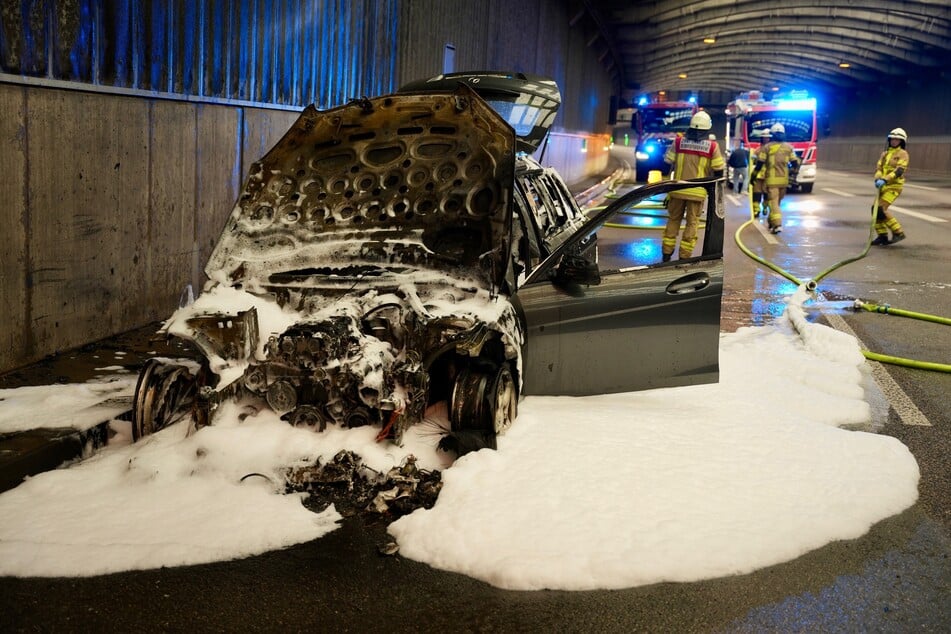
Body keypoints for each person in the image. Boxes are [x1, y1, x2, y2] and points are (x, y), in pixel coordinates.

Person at [660, 110, 725, 261]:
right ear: (707, 129)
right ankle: (684, 257)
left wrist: (665, 187)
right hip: (697, 193)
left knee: (673, 220)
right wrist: (714, 191)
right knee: (692, 223)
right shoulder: (712, 147)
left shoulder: (678, 142)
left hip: (677, 189)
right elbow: (718, 171)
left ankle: (666, 254)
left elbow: (666, 164)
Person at [753, 123, 800, 233]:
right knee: (777, 203)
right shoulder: (789, 147)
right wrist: (793, 172)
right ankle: (771, 221)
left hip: (771, 180)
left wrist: (753, 175)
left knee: (773, 202)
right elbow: (795, 163)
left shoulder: (767, 147)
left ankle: (778, 224)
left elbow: (760, 163)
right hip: (784, 180)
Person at [871, 128, 909, 245]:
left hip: (894, 187)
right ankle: (882, 235)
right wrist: (878, 177)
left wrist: (885, 179)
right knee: (875, 210)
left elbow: (900, 170)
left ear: (901, 141)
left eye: (897, 139)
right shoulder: (885, 154)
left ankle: (898, 232)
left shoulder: (903, 154)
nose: (894, 141)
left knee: (881, 209)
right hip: (883, 186)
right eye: (892, 138)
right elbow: (879, 168)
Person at [750, 129, 770, 216]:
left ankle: (765, 208)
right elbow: (753, 161)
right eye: (764, 138)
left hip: (768, 175)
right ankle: (756, 210)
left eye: (767, 138)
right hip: (758, 175)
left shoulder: (771, 150)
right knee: (756, 193)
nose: (765, 140)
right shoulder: (758, 150)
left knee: (767, 194)